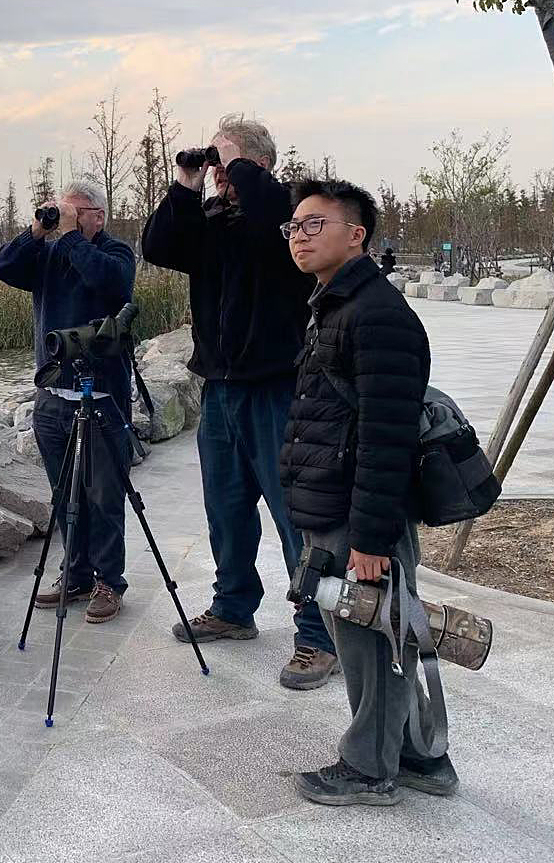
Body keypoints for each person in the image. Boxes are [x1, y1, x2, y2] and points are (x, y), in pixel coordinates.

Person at [141, 114, 337, 690]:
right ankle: (233, 607)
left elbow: (272, 214)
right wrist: (185, 185)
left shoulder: (290, 216)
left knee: (296, 516)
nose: (219, 174)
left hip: (278, 389)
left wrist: (242, 167)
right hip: (220, 390)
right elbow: (158, 245)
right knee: (225, 508)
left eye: (227, 164)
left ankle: (318, 635)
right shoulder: (213, 223)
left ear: (255, 165)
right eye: (217, 165)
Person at [279, 179, 458, 805]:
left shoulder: (376, 314)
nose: (299, 235)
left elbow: (387, 438)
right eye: (294, 226)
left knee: (369, 642)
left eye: (313, 224)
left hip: (358, 514)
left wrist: (372, 539)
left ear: (355, 234)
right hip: (335, 500)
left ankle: (369, 771)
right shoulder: (335, 304)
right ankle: (419, 760)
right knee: (382, 632)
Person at [0, 179, 135, 624]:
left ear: (97, 215)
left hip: (101, 397)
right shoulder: (49, 254)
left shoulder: (116, 253)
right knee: (63, 494)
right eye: (62, 211)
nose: (66, 219)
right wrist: (37, 230)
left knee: (103, 494)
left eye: (76, 212)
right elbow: (3, 267)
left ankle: (109, 581)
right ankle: (76, 573)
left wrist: (71, 236)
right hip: (52, 396)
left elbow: (108, 282)